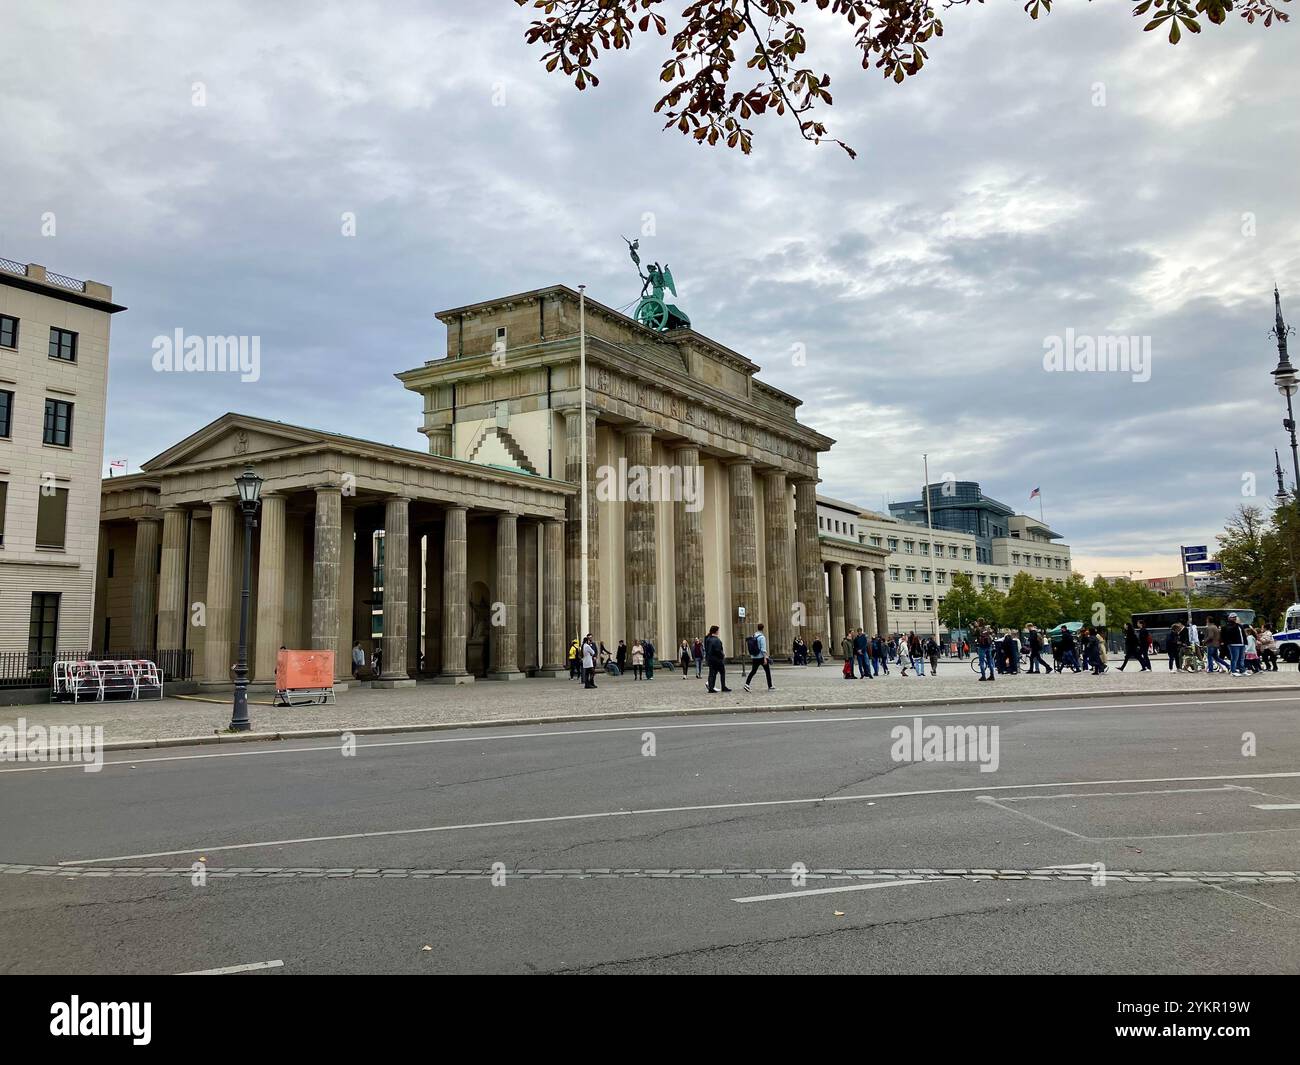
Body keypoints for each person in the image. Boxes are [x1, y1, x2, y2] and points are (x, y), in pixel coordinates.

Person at [744, 622, 774, 692]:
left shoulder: (754, 635)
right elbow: (763, 649)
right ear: (763, 628)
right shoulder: (762, 637)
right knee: (767, 671)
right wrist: (765, 658)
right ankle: (770, 685)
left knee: (753, 671)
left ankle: (747, 684)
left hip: (754, 657)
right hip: (761, 657)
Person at [703, 625, 731, 692]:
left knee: (711, 674)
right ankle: (723, 686)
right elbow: (718, 650)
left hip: (710, 659)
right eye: (718, 630)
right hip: (717, 660)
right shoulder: (716, 640)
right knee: (722, 673)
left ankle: (711, 688)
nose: (718, 632)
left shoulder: (708, 639)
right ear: (716, 631)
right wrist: (722, 655)